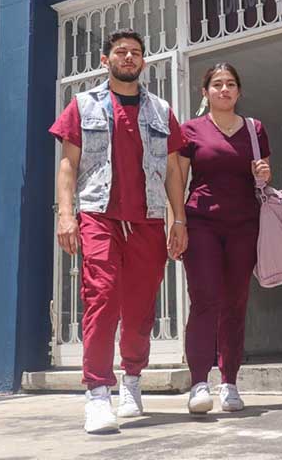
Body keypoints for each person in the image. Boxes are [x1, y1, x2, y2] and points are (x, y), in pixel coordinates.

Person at [50, 29, 188, 434]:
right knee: (103, 296)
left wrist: (178, 220)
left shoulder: (161, 110)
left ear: (143, 62)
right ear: (105, 60)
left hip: (148, 219)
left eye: (135, 53)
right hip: (99, 214)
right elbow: (68, 164)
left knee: (141, 309)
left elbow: (174, 170)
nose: (129, 57)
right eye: (121, 52)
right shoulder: (83, 105)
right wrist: (66, 215)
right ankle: (97, 392)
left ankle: (132, 379)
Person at [177, 63, 271, 415]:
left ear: (239, 91)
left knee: (236, 302)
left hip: (244, 225)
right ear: (205, 92)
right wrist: (177, 222)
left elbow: (261, 179)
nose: (224, 89)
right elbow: (178, 179)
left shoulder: (254, 129)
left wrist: (263, 174)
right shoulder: (190, 130)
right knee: (205, 299)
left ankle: (229, 382)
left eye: (231, 84)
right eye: (217, 84)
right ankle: (199, 382)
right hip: (201, 223)